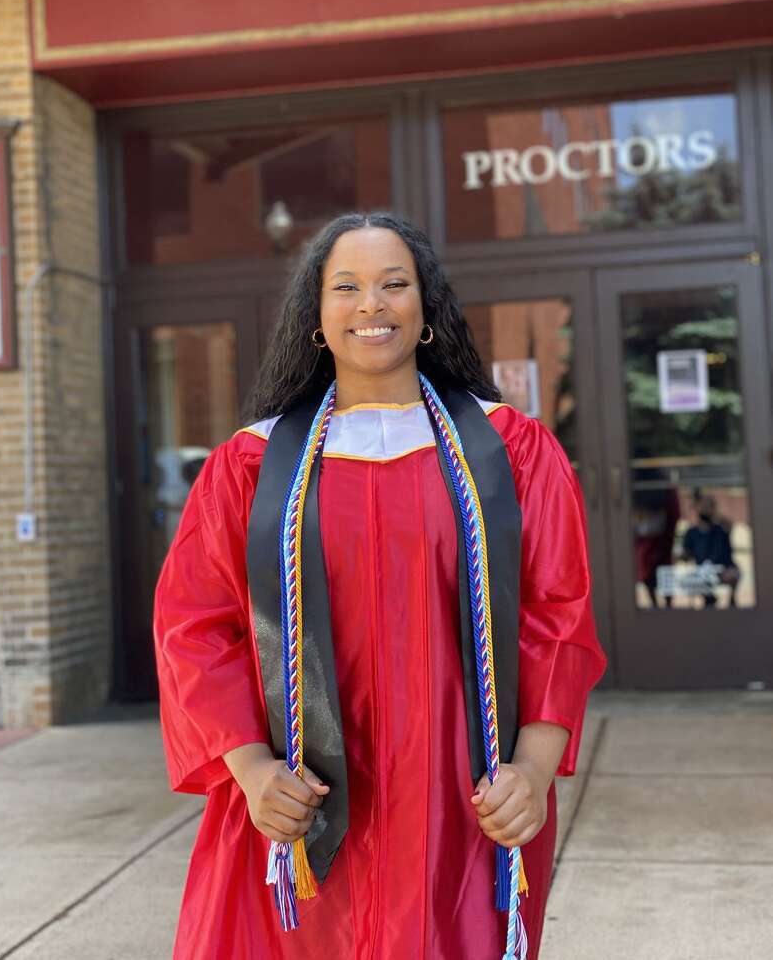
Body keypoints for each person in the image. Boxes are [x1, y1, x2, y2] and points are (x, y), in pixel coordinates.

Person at [153, 213, 606, 960]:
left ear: (426, 310)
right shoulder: (250, 467)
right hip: (300, 797)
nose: (373, 304)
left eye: (395, 284)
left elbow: (558, 619)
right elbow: (193, 627)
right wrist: (251, 767)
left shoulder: (512, 452)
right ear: (316, 316)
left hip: (459, 799)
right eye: (348, 287)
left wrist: (530, 767)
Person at [682, 493, 740, 608]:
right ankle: (709, 598)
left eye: (708, 506)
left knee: (733, 574)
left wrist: (712, 512)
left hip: (725, 568)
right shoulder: (691, 532)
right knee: (688, 581)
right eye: (702, 506)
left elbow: (729, 524)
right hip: (703, 571)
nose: (704, 509)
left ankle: (732, 601)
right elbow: (686, 554)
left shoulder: (721, 529)